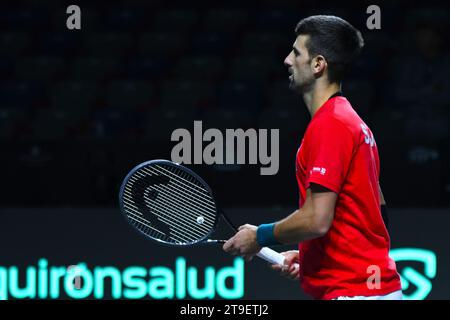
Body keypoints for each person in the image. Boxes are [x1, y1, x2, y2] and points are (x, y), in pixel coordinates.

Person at [223, 15, 402, 300]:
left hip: (353, 291)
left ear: (319, 64)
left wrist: (260, 236)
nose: (287, 60)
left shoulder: (330, 125)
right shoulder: (352, 121)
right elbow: (376, 210)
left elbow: (318, 219)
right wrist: (312, 255)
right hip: (372, 288)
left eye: (296, 53)